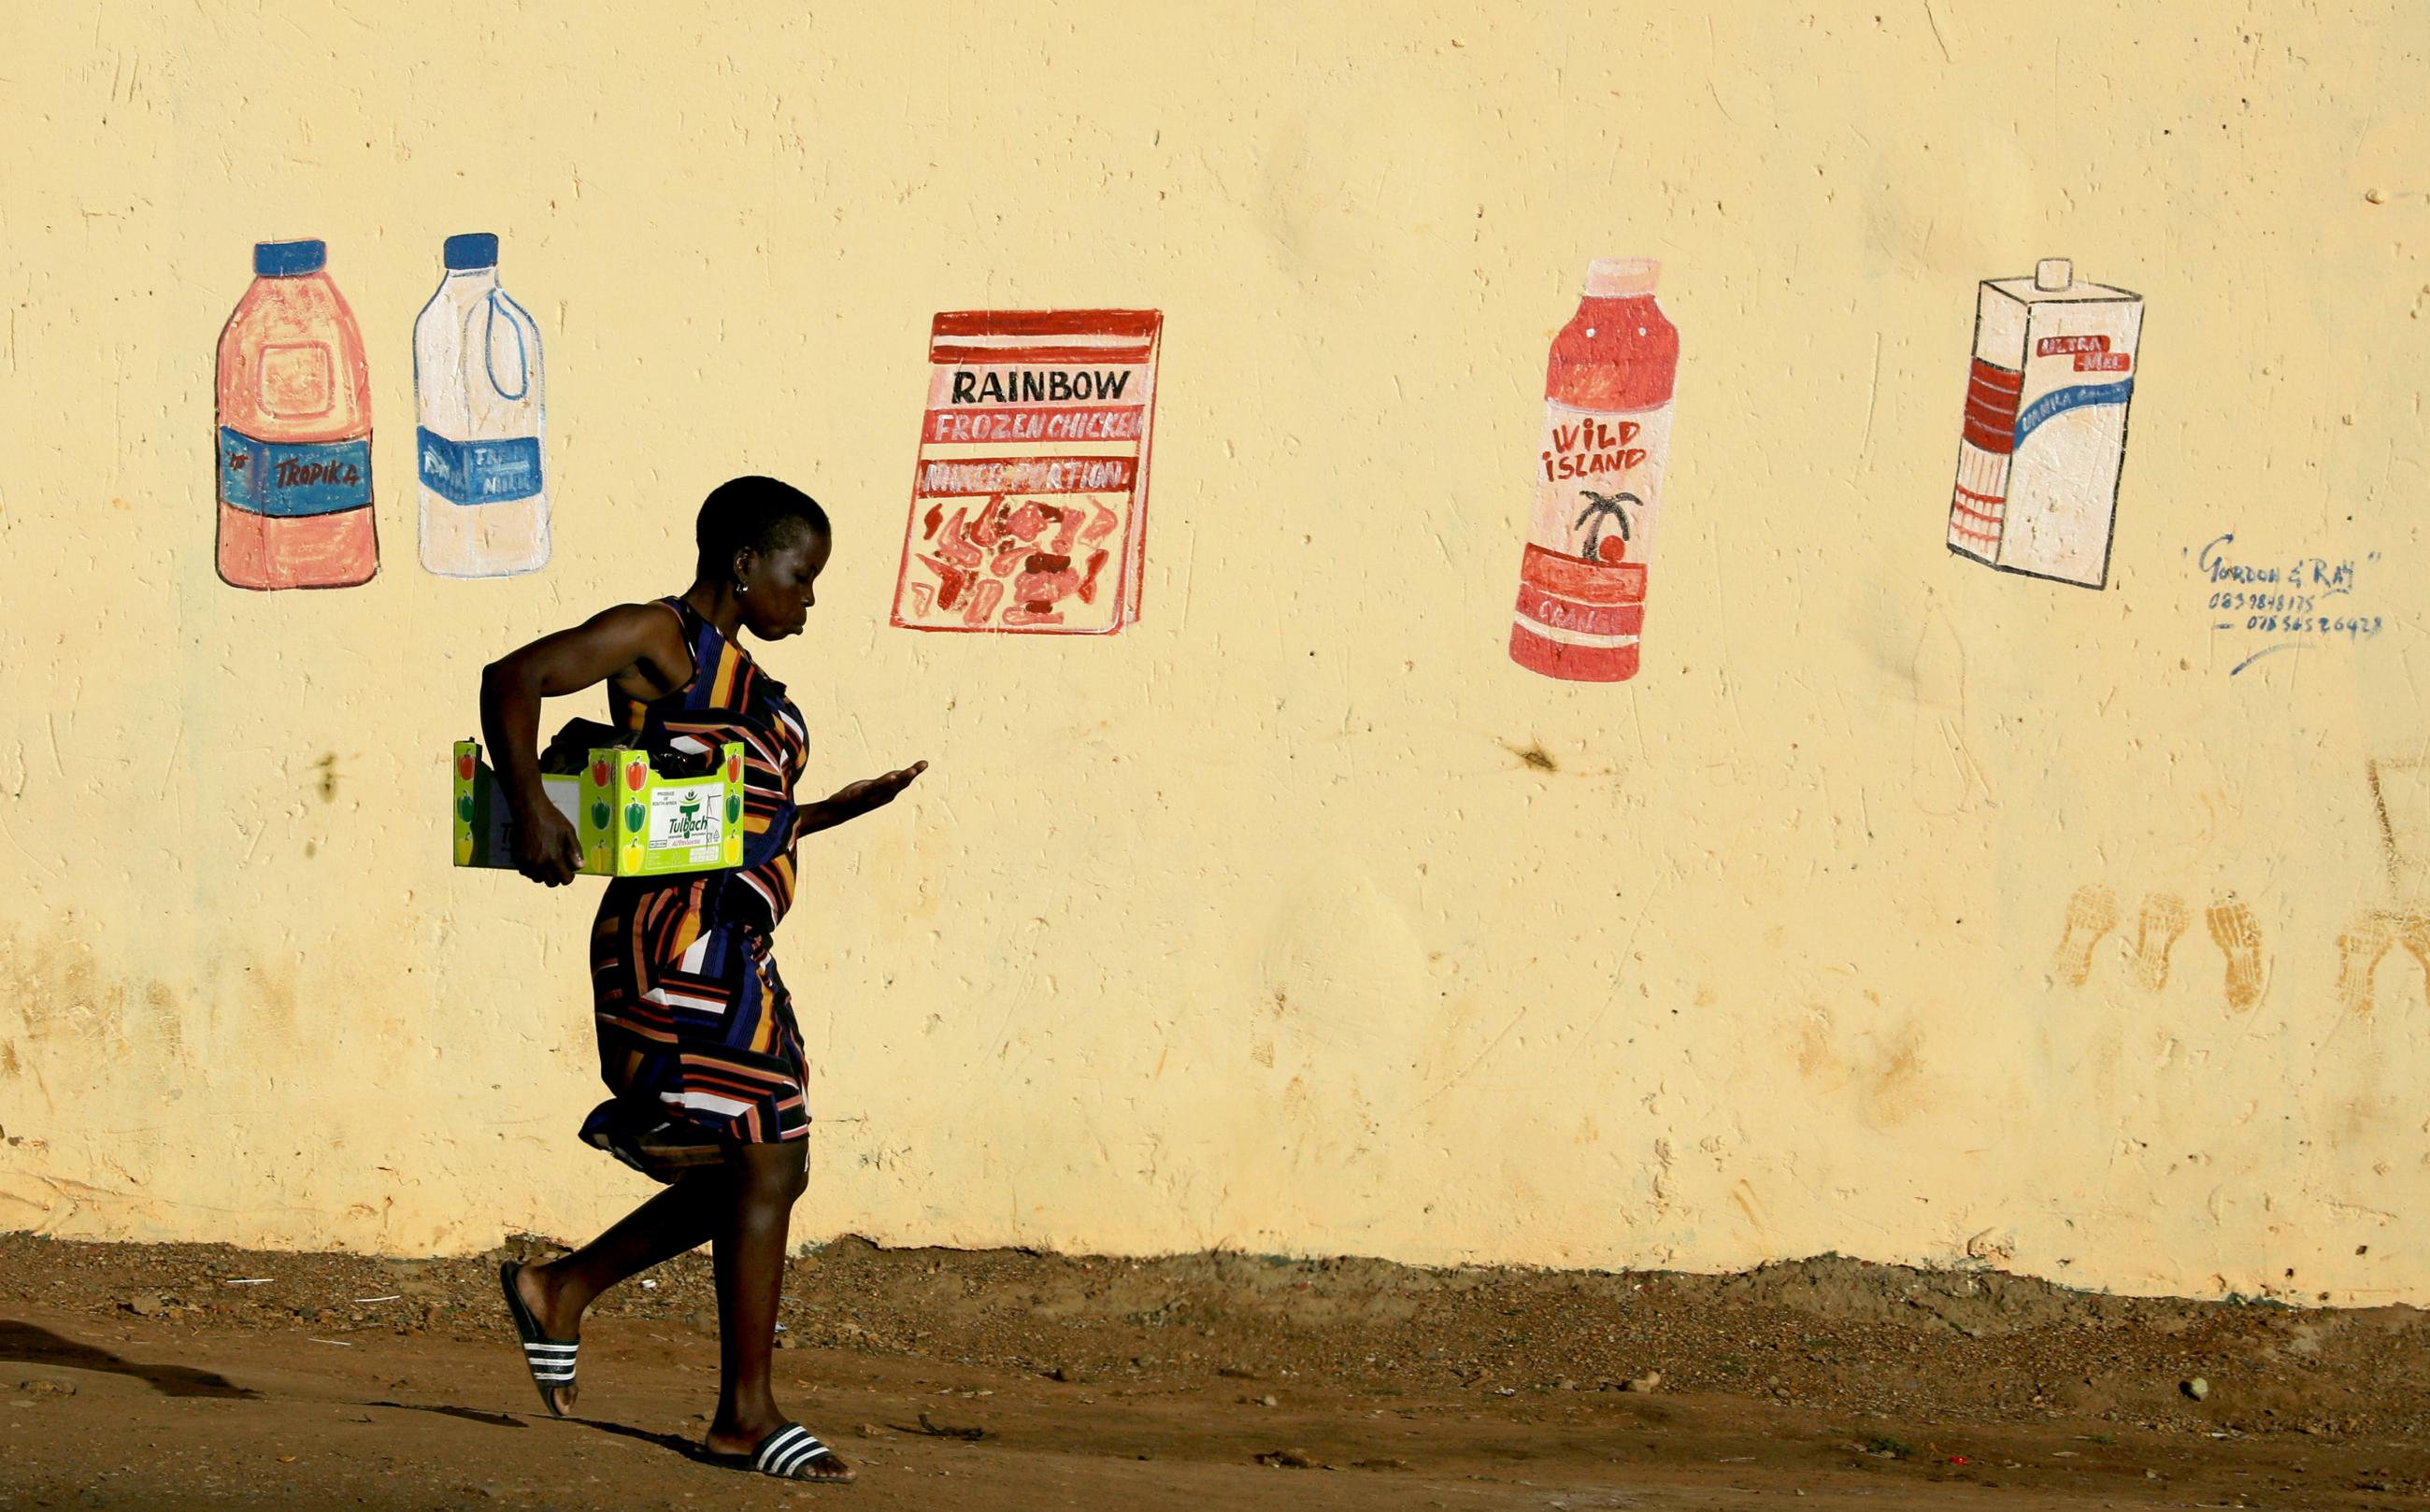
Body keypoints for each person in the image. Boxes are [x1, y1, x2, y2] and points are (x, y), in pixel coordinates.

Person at [477, 475, 924, 1485]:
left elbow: (715, 816)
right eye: (800, 577)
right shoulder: (659, 638)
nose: (805, 598)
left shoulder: (746, 680)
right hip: (672, 941)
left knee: (770, 1166)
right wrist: (530, 805)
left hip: (735, 945)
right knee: (761, 1160)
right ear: (743, 563)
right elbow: (512, 675)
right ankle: (743, 1415)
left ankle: (563, 1288)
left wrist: (819, 815)